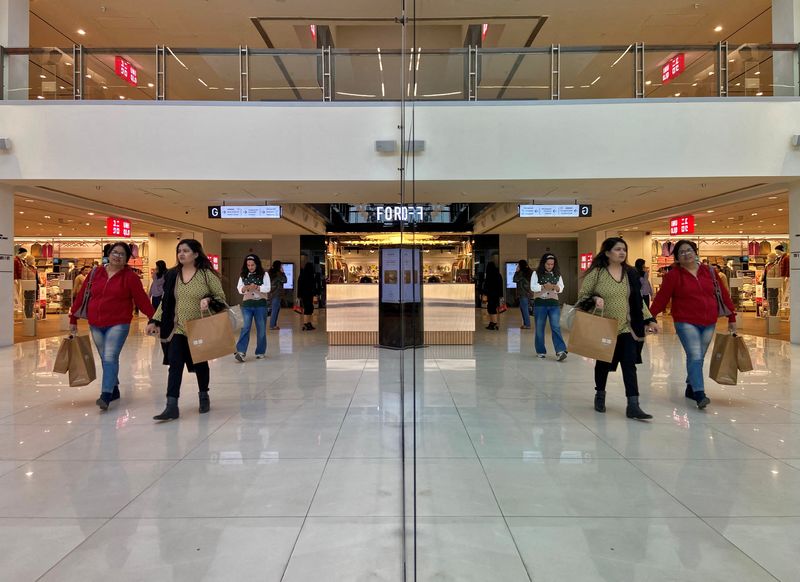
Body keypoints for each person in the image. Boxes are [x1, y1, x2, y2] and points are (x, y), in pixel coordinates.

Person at [577, 237, 659, 420]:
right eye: (617, 249)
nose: (622, 253)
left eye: (624, 249)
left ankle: (633, 405)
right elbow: (582, 296)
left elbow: (637, 300)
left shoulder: (629, 273)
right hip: (604, 327)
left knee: (629, 364)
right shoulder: (597, 273)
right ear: (607, 253)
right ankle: (600, 394)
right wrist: (594, 299)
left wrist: (650, 319)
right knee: (604, 364)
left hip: (626, 327)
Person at [649, 239, 737, 409]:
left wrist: (732, 317)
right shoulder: (673, 275)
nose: (686, 254)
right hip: (685, 321)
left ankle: (690, 386)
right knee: (695, 355)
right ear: (677, 257)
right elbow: (662, 298)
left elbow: (723, 295)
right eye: (681, 252)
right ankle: (699, 393)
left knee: (699, 356)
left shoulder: (710, 272)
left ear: (695, 252)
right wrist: (649, 317)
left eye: (689, 250)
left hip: (709, 320)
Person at [146, 239, 226, 421]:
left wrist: (209, 300)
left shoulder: (206, 275)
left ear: (196, 254)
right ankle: (171, 406)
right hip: (178, 328)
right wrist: (154, 320)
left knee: (200, 364)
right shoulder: (173, 274)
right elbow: (166, 302)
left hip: (199, 327)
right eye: (179, 251)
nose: (181, 254)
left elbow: (220, 297)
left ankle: (203, 394)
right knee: (175, 364)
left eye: (186, 251)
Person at [69, 242, 155, 411]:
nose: (117, 256)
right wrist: (73, 318)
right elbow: (82, 296)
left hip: (118, 323)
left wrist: (155, 319)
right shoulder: (95, 273)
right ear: (109, 253)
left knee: (109, 356)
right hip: (95, 322)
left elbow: (142, 300)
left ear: (127, 258)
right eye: (115, 252)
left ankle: (105, 394)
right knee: (104, 357)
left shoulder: (130, 278)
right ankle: (114, 388)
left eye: (122, 254)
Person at [530, 253, 567, 361]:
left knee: (556, 327)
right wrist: (542, 286)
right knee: (539, 328)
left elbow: (562, 287)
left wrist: (557, 288)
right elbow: (533, 287)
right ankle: (540, 351)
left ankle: (560, 351)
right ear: (543, 263)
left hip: (554, 304)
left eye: (552, 264)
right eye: (548, 264)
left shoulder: (557, 274)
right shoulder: (536, 273)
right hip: (540, 304)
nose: (550, 266)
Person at [234, 254, 270, 362]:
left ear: (257, 264)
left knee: (261, 329)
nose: (250, 267)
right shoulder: (243, 275)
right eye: (248, 265)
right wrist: (244, 288)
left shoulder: (264, 274)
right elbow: (239, 289)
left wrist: (258, 287)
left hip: (261, 305)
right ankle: (241, 351)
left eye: (252, 265)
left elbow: (268, 288)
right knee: (245, 327)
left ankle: (260, 351)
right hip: (247, 305)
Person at [297, 262, 319, 331]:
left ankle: (308, 323)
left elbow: (299, 285)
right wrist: (315, 293)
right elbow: (313, 286)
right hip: (309, 294)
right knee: (308, 309)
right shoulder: (311, 275)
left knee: (309, 308)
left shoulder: (302, 274)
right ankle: (306, 323)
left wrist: (299, 295)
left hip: (304, 294)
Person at [481, 261, 503, 330]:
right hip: (496, 295)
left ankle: (494, 323)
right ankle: (492, 322)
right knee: (493, 308)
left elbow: (487, 286)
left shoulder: (489, 275)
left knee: (491, 309)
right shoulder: (498, 274)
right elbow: (501, 285)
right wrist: (501, 295)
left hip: (491, 295)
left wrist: (484, 293)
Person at [513, 259, 534, 330]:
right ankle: (525, 324)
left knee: (524, 309)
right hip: (527, 293)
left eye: (518, 265)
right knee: (524, 309)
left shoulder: (521, 273)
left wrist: (516, 271)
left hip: (523, 293)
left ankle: (527, 325)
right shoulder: (529, 271)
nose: (518, 266)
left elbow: (515, 279)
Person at [268, 260, 287, 330]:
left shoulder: (272, 273)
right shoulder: (278, 274)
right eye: (281, 266)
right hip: (276, 294)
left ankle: (274, 325)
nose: (282, 267)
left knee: (275, 309)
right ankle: (272, 325)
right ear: (278, 266)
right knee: (275, 310)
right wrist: (283, 272)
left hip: (273, 293)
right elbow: (285, 280)